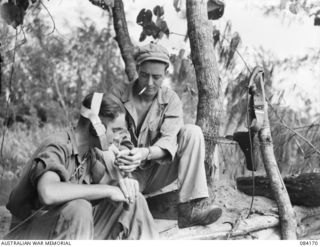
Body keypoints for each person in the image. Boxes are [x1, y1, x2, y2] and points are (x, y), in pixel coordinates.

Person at [4, 92, 158, 240]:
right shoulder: (57, 145)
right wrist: (109, 190)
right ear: (97, 126)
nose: (118, 138)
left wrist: (124, 184)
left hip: (70, 229)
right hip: (28, 235)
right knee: (80, 207)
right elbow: (48, 192)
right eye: (115, 131)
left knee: (133, 199)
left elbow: (107, 185)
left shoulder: (90, 154)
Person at [110, 42, 222, 228]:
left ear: (166, 74)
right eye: (145, 75)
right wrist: (128, 156)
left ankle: (189, 209)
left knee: (192, 132)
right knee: (119, 209)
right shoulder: (118, 93)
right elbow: (113, 132)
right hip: (123, 169)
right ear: (137, 69)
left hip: (156, 170)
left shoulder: (170, 99)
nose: (150, 83)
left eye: (157, 77)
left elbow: (169, 140)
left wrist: (144, 153)